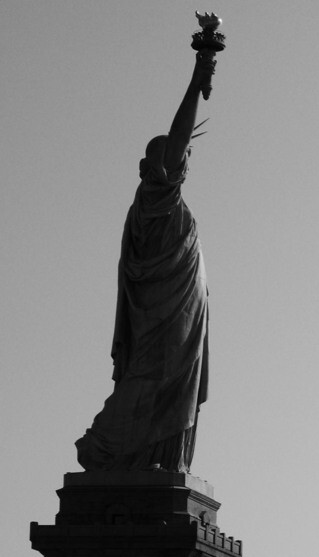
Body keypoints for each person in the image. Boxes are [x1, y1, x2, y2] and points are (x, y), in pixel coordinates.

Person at [76, 50, 216, 473]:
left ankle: (155, 459)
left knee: (166, 385)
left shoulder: (150, 207)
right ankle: (120, 449)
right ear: (154, 167)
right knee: (156, 381)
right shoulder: (158, 196)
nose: (184, 161)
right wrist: (201, 70)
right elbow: (178, 135)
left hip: (175, 316)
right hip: (164, 321)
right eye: (177, 157)